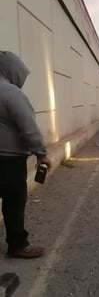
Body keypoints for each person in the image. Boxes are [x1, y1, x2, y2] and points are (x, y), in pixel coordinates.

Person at [0, 51, 52, 259]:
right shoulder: (11, 93)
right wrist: (42, 154)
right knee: (14, 203)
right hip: (9, 161)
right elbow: (28, 127)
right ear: (12, 71)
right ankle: (18, 244)